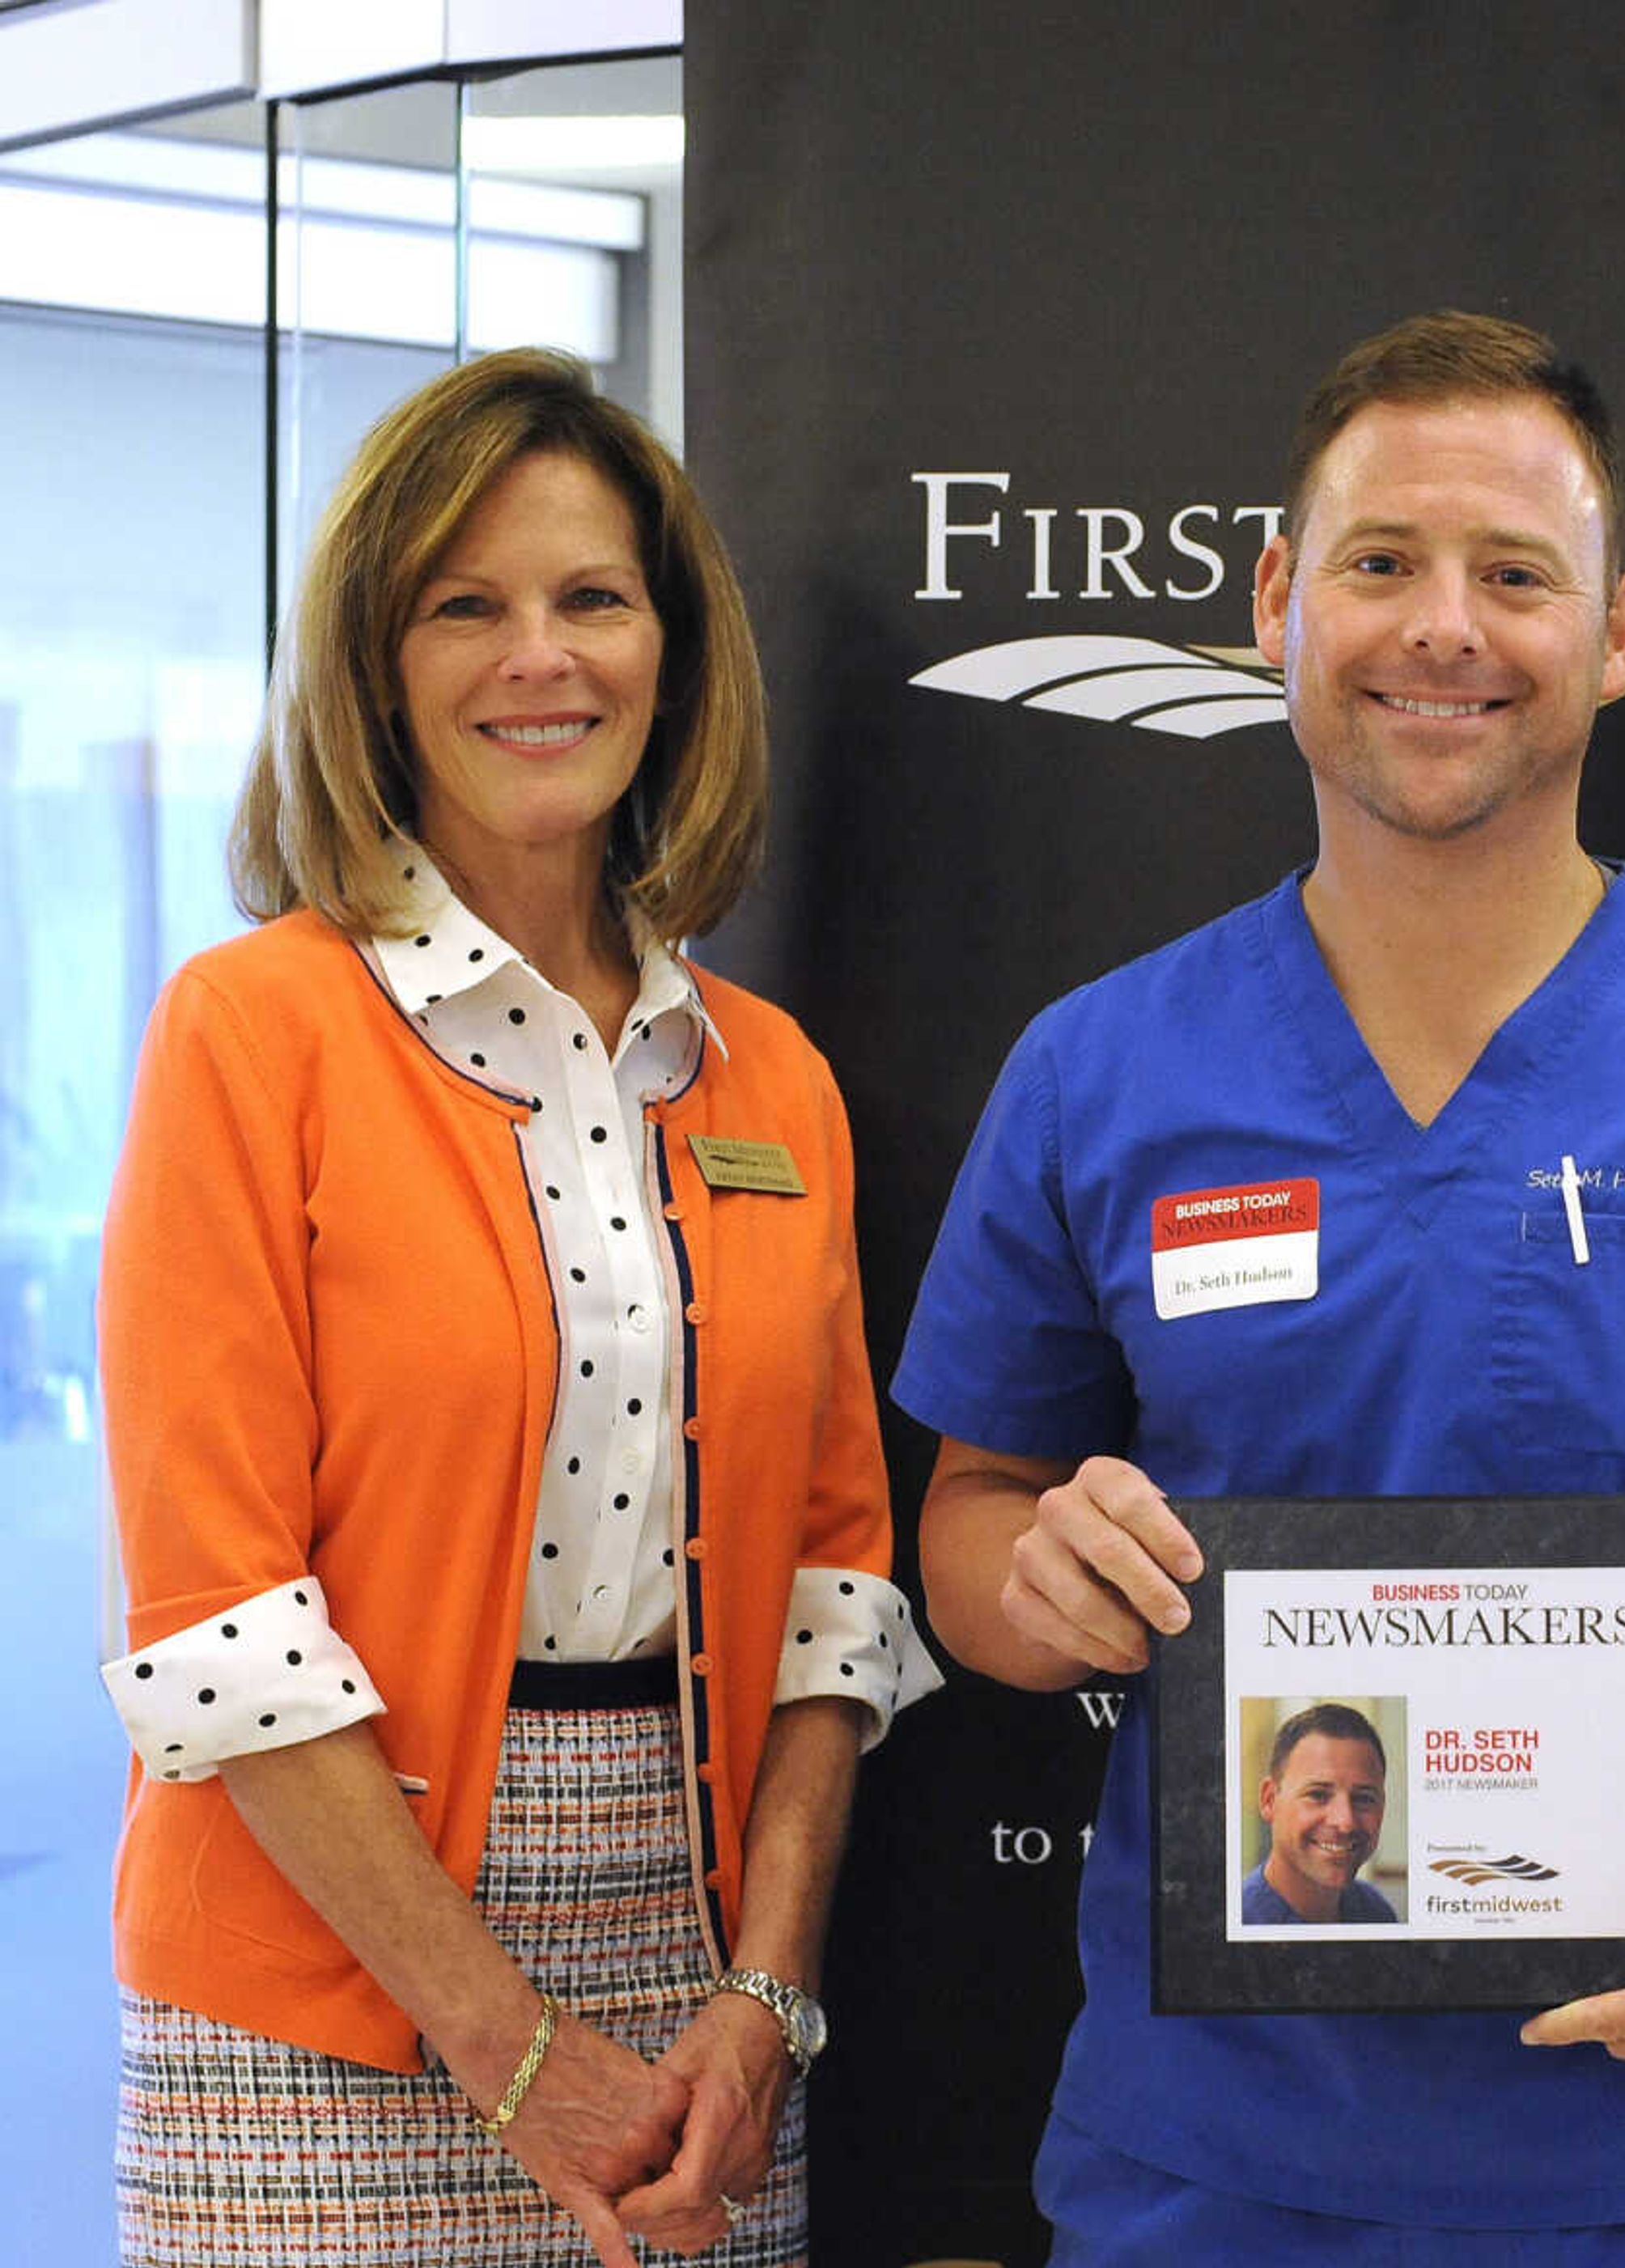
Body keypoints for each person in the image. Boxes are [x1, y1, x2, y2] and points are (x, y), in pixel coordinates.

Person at [900, 309, 1625, 2261]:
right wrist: (1031, 1583)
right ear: (1275, 600)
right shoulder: (1096, 1072)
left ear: (1615, 633)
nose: (1445, 628)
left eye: (1516, 573)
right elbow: (965, 1531)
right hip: (1214, 2163)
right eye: (1378, 563)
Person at [100, 347, 940, 2265]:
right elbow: (214, 1617)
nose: (536, 658)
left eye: (590, 598)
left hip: (697, 1980)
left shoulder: (768, 1080)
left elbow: (834, 1583)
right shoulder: (255, 1032)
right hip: (319, 1970)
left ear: (672, 649)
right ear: (371, 667)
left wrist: (766, 1994)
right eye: (461, 606)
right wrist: (503, 2039)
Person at [1241, 1703, 1399, 1925]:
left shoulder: (1374, 1911)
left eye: (1363, 1799)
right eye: (1318, 1795)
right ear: (1269, 1801)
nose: (1345, 1822)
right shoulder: (1240, 1921)